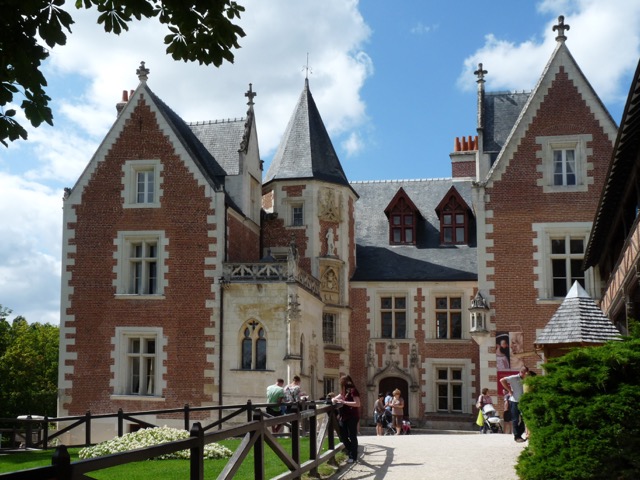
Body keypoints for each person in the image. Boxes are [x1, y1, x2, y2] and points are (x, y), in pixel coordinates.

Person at [332, 374, 361, 463]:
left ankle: (353, 456)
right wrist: (333, 400)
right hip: (344, 417)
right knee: (343, 436)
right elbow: (335, 398)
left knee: (352, 436)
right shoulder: (343, 391)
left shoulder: (353, 390)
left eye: (342, 382)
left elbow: (357, 403)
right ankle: (351, 450)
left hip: (352, 416)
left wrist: (344, 402)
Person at [500, 366, 529, 442]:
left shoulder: (527, 379)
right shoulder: (514, 378)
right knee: (515, 419)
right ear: (522, 372)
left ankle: (519, 434)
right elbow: (502, 380)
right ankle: (517, 436)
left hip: (523, 402)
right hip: (514, 401)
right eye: (525, 373)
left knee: (524, 419)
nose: (526, 375)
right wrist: (509, 390)